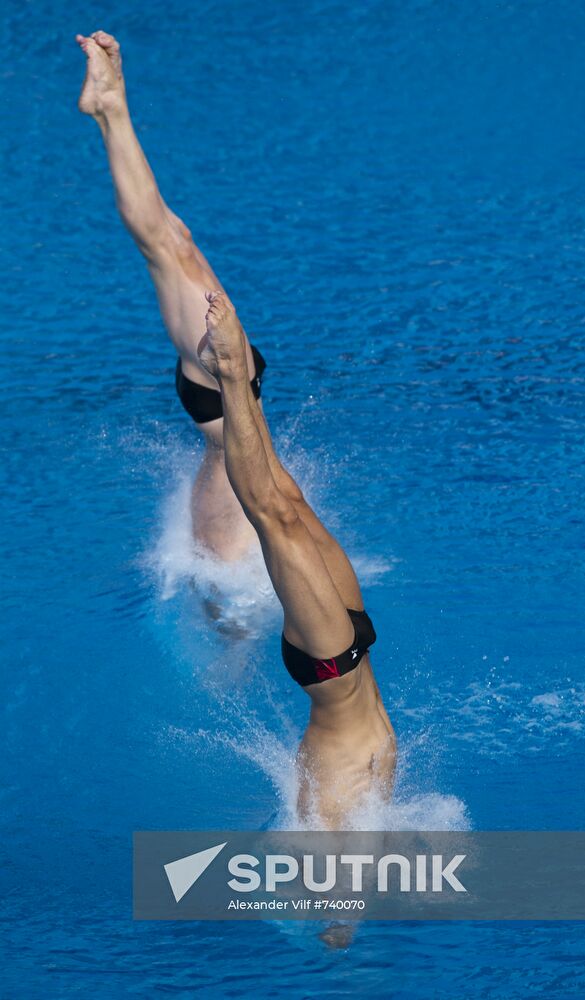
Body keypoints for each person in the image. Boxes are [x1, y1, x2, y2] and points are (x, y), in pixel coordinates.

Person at [76, 31, 396, 827]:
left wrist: (334, 930)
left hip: (333, 659)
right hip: (343, 648)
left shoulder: (330, 787)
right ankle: (111, 112)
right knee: (273, 495)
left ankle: (110, 113)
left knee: (271, 503)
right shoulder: (364, 779)